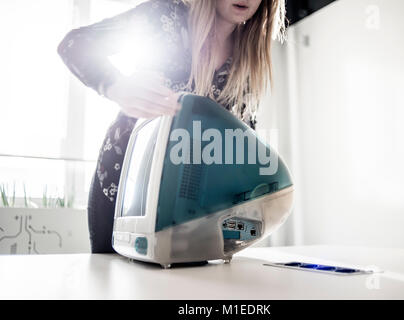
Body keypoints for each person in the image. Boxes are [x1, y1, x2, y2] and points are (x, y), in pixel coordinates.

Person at [57, 0, 287, 253]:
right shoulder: (164, 17)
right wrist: (115, 85)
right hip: (125, 188)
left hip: (189, 205)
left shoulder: (247, 57)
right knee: (112, 283)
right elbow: (74, 45)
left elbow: (241, 146)